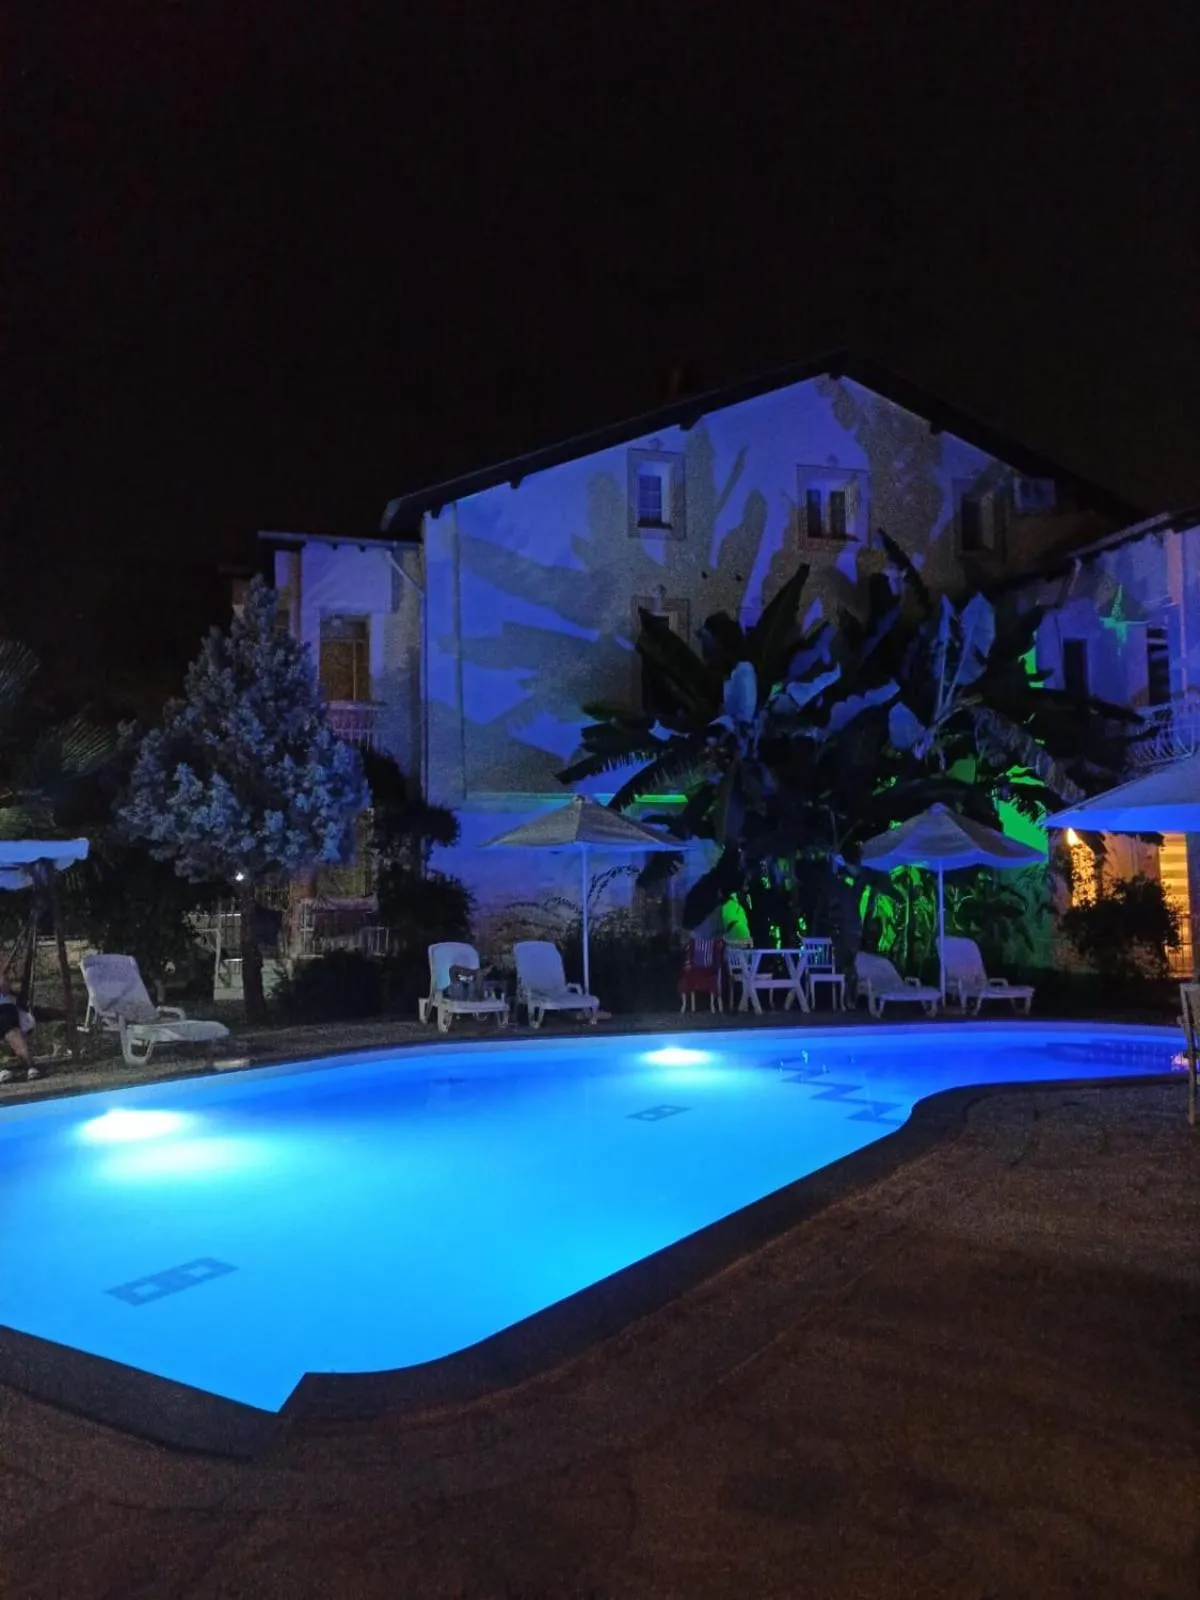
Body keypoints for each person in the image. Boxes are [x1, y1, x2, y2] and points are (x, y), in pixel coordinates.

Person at [0, 961, 39, 1083]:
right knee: (13, 1032)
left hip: (5, 1008)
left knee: (13, 1033)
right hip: (6, 1007)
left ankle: (30, 1066)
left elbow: (4, 987)